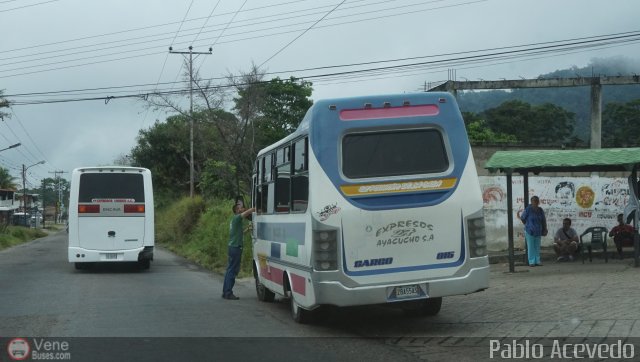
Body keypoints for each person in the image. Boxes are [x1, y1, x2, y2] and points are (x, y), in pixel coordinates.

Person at [222, 202, 255, 300]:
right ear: (237, 210)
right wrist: (254, 209)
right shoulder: (237, 218)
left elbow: (238, 233)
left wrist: (247, 229)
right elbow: (247, 212)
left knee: (229, 270)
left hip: (232, 247)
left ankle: (225, 292)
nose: (243, 208)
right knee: (233, 270)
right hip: (236, 248)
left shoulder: (234, 221)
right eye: (241, 207)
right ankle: (228, 293)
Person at [520, 195, 548, 267]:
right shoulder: (528, 209)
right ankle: (532, 262)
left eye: (536, 201)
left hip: (538, 230)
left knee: (537, 246)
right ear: (531, 202)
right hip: (530, 231)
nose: (535, 202)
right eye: (534, 201)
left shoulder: (540, 210)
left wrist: (545, 228)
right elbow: (522, 218)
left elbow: (543, 220)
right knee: (531, 247)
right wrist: (527, 225)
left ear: (538, 202)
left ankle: (537, 261)